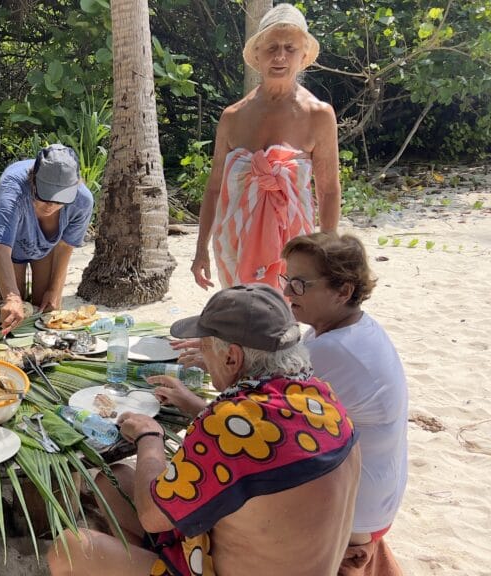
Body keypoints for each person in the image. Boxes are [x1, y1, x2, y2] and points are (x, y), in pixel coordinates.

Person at [49, 284, 361, 576]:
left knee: (68, 547)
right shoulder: (322, 397)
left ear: (232, 357)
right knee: (114, 479)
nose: (202, 355)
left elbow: (151, 516)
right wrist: (195, 404)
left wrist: (149, 437)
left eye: (206, 346)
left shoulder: (228, 424)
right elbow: (265, 446)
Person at [282, 232, 407, 576]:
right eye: (287, 279)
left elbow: (262, 410)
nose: (287, 292)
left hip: (358, 513)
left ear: (343, 291)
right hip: (378, 497)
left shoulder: (333, 349)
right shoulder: (350, 328)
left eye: (300, 284)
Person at [191, 3, 341, 291]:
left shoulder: (319, 115)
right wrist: (201, 249)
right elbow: (213, 189)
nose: (280, 56)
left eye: (290, 48)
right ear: (257, 54)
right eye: (271, 47)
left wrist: (328, 251)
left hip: (294, 247)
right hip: (233, 241)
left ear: (304, 55)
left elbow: (328, 190)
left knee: (284, 322)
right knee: (240, 320)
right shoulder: (233, 117)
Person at [0, 144, 94, 334]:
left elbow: (65, 246)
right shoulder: (13, 191)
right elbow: (2, 251)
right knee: (15, 311)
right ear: (33, 180)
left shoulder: (82, 201)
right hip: (6, 243)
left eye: (60, 200)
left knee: (45, 308)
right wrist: (12, 297)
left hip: (44, 245)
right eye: (45, 196)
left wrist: (55, 289)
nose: (51, 205)